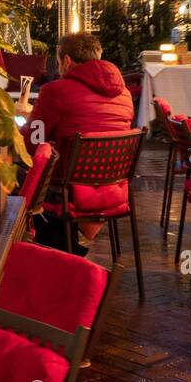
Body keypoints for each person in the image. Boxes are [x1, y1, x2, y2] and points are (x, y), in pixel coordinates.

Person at [22, 31, 134, 253]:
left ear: (66, 61)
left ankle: (41, 257)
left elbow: (32, 143)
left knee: (23, 176)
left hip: (66, 192)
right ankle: (66, 255)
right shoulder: (125, 94)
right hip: (112, 189)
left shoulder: (56, 91)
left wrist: (22, 125)